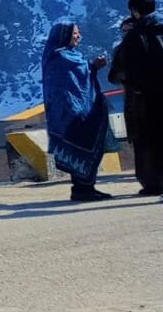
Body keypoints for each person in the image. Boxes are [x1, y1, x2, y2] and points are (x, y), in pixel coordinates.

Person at [41, 21, 114, 201]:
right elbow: (72, 81)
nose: (78, 36)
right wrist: (93, 66)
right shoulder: (60, 57)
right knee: (80, 146)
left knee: (85, 146)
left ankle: (85, 187)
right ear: (63, 35)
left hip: (72, 111)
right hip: (71, 113)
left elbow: (81, 75)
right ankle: (83, 188)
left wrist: (92, 67)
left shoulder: (64, 56)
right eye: (74, 33)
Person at [116, 0, 163, 201]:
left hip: (155, 95)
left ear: (134, 11)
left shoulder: (137, 35)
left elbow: (131, 68)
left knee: (162, 140)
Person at [109, 16, 163, 196]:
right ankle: (154, 182)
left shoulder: (131, 47)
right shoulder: (159, 42)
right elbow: (115, 75)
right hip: (140, 102)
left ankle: (158, 182)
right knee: (144, 143)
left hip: (144, 102)